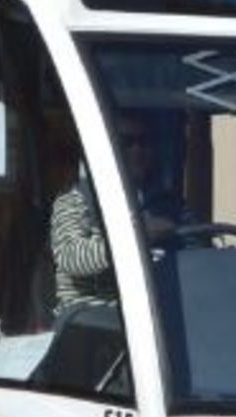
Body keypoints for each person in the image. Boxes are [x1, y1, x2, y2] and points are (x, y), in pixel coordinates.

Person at [47, 111, 194, 313]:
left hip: (163, 318)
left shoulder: (171, 206)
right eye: (127, 143)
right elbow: (70, 257)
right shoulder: (74, 201)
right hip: (93, 323)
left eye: (144, 142)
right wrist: (136, 237)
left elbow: (198, 249)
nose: (137, 150)